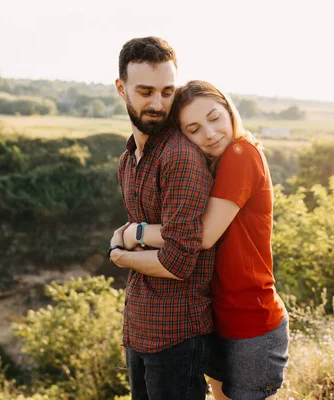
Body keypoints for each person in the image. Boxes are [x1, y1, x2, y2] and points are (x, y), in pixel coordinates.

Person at [121, 80, 290, 400]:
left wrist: (135, 232)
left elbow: (202, 236)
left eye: (214, 118)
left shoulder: (241, 153)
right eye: (194, 129)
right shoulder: (211, 164)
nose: (210, 134)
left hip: (251, 321)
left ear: (229, 110)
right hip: (214, 317)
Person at [107, 37, 215, 400]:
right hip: (139, 326)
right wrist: (132, 238)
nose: (158, 103)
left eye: (168, 91)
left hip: (176, 334)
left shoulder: (179, 158)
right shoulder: (128, 158)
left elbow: (179, 260)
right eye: (145, 91)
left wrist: (121, 256)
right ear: (121, 88)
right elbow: (144, 235)